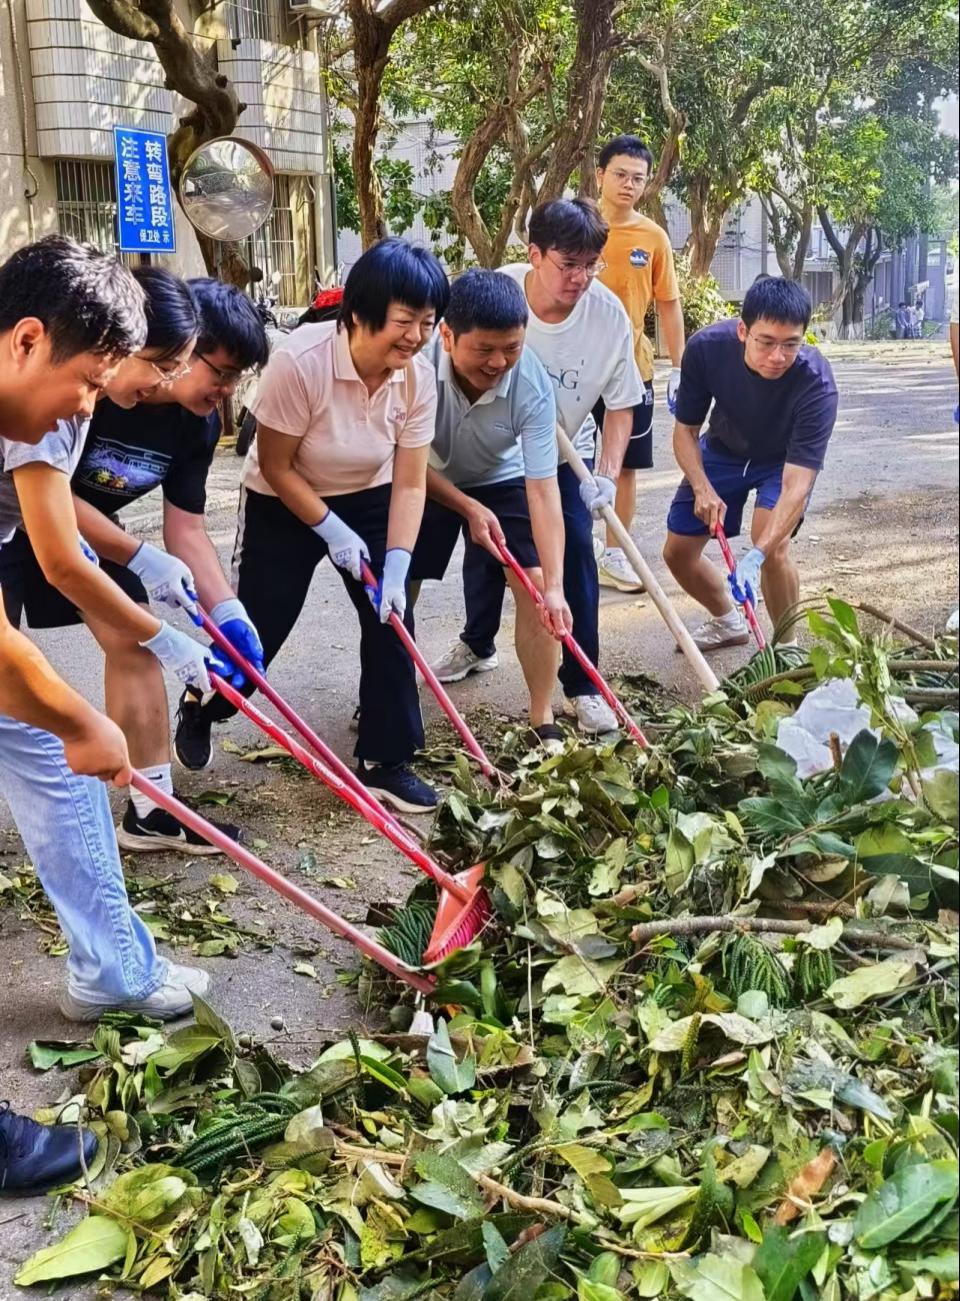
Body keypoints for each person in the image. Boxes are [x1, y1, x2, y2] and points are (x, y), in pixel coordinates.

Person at [0, 236, 210, 1033]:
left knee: (52, 748)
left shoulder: (29, 409)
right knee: (59, 737)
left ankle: (113, 969)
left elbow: (59, 551)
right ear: (27, 340)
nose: (90, 407)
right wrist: (84, 719)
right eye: (90, 381)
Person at [0, 278, 270, 850]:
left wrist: (228, 612)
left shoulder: (193, 422)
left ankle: (152, 810)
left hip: (89, 530)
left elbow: (187, 528)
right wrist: (142, 562)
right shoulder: (89, 385)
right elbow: (48, 498)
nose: (225, 391)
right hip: (33, 518)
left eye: (236, 378)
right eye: (217, 372)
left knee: (134, 641)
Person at [201, 238, 450, 813]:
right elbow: (275, 465)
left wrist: (398, 563)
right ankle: (203, 704)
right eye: (405, 321)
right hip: (283, 498)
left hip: (370, 493)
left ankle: (385, 759)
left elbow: (411, 482)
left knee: (391, 620)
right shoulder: (301, 360)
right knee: (259, 628)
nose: (416, 336)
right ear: (359, 314)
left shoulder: (417, 378)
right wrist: (332, 530)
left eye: (428, 322)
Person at [448, 199, 645, 734]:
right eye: (569, 264)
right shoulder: (502, 293)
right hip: (485, 448)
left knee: (572, 551)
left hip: (563, 452)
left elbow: (622, 403)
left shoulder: (608, 317)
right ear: (535, 255)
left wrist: (606, 475)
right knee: (485, 549)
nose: (580, 277)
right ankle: (477, 643)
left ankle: (584, 685)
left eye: (591, 265)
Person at [414, 271, 571, 750]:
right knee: (399, 577)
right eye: (484, 349)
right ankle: (386, 691)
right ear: (447, 335)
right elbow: (400, 461)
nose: (499, 362)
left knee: (536, 586)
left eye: (512, 348)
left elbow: (542, 490)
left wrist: (555, 587)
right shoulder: (415, 366)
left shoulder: (532, 384)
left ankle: (542, 715)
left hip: (500, 474)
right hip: (422, 470)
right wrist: (467, 507)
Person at [662, 276, 838, 648]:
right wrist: (701, 488)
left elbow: (797, 484)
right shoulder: (706, 349)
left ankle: (786, 648)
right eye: (767, 342)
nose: (778, 356)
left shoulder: (817, 383)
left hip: (781, 461)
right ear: (743, 331)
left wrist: (756, 555)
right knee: (677, 552)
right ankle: (728, 622)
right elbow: (685, 432)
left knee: (772, 546)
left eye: (791, 344)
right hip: (723, 449)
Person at [593, 134, 685, 593]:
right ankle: (560, 549)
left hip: (631, 368)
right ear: (600, 176)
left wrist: (680, 368)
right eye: (620, 175)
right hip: (571, 369)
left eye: (638, 178)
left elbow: (668, 303)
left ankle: (614, 553)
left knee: (625, 465)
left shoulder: (653, 237)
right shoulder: (577, 225)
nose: (628, 185)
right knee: (559, 461)